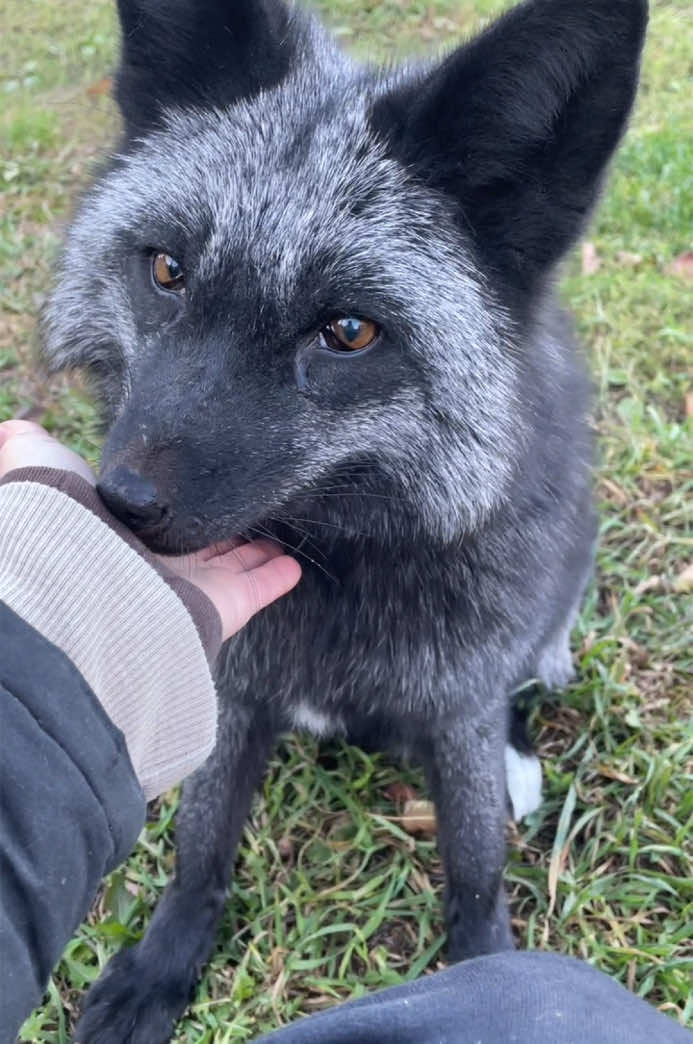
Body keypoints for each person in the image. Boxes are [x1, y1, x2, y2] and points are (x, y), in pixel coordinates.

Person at [0, 419, 689, 1044]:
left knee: (472, 707)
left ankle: (476, 921)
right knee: (241, 693)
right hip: (267, 575)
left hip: (442, 591)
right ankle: (190, 905)